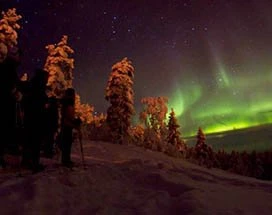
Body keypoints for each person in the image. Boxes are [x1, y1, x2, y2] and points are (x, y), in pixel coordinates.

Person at [22, 68, 49, 173]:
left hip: (30, 117)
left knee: (29, 139)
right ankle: (34, 163)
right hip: (36, 118)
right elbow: (40, 100)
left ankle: (26, 160)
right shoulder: (39, 87)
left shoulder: (32, 85)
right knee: (35, 141)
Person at [0, 46, 22, 168]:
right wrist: (14, 92)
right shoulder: (8, 68)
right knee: (3, 129)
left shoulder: (8, 67)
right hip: (4, 105)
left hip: (6, 103)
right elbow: (7, 84)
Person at [60, 88, 81, 167]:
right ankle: (65, 160)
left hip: (67, 125)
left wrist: (75, 121)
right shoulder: (68, 103)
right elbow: (68, 117)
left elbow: (69, 116)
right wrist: (74, 123)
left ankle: (66, 159)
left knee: (67, 143)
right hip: (67, 126)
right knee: (67, 143)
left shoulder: (67, 103)